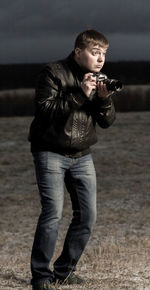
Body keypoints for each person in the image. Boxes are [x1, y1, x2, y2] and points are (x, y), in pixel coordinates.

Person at [28, 29, 116, 290]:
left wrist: (103, 100)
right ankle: (41, 277)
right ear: (79, 51)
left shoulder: (99, 78)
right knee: (52, 214)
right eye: (95, 52)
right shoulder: (53, 72)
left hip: (82, 155)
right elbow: (44, 112)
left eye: (104, 54)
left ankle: (64, 271)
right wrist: (80, 93)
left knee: (88, 216)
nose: (100, 59)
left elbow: (107, 121)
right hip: (50, 152)